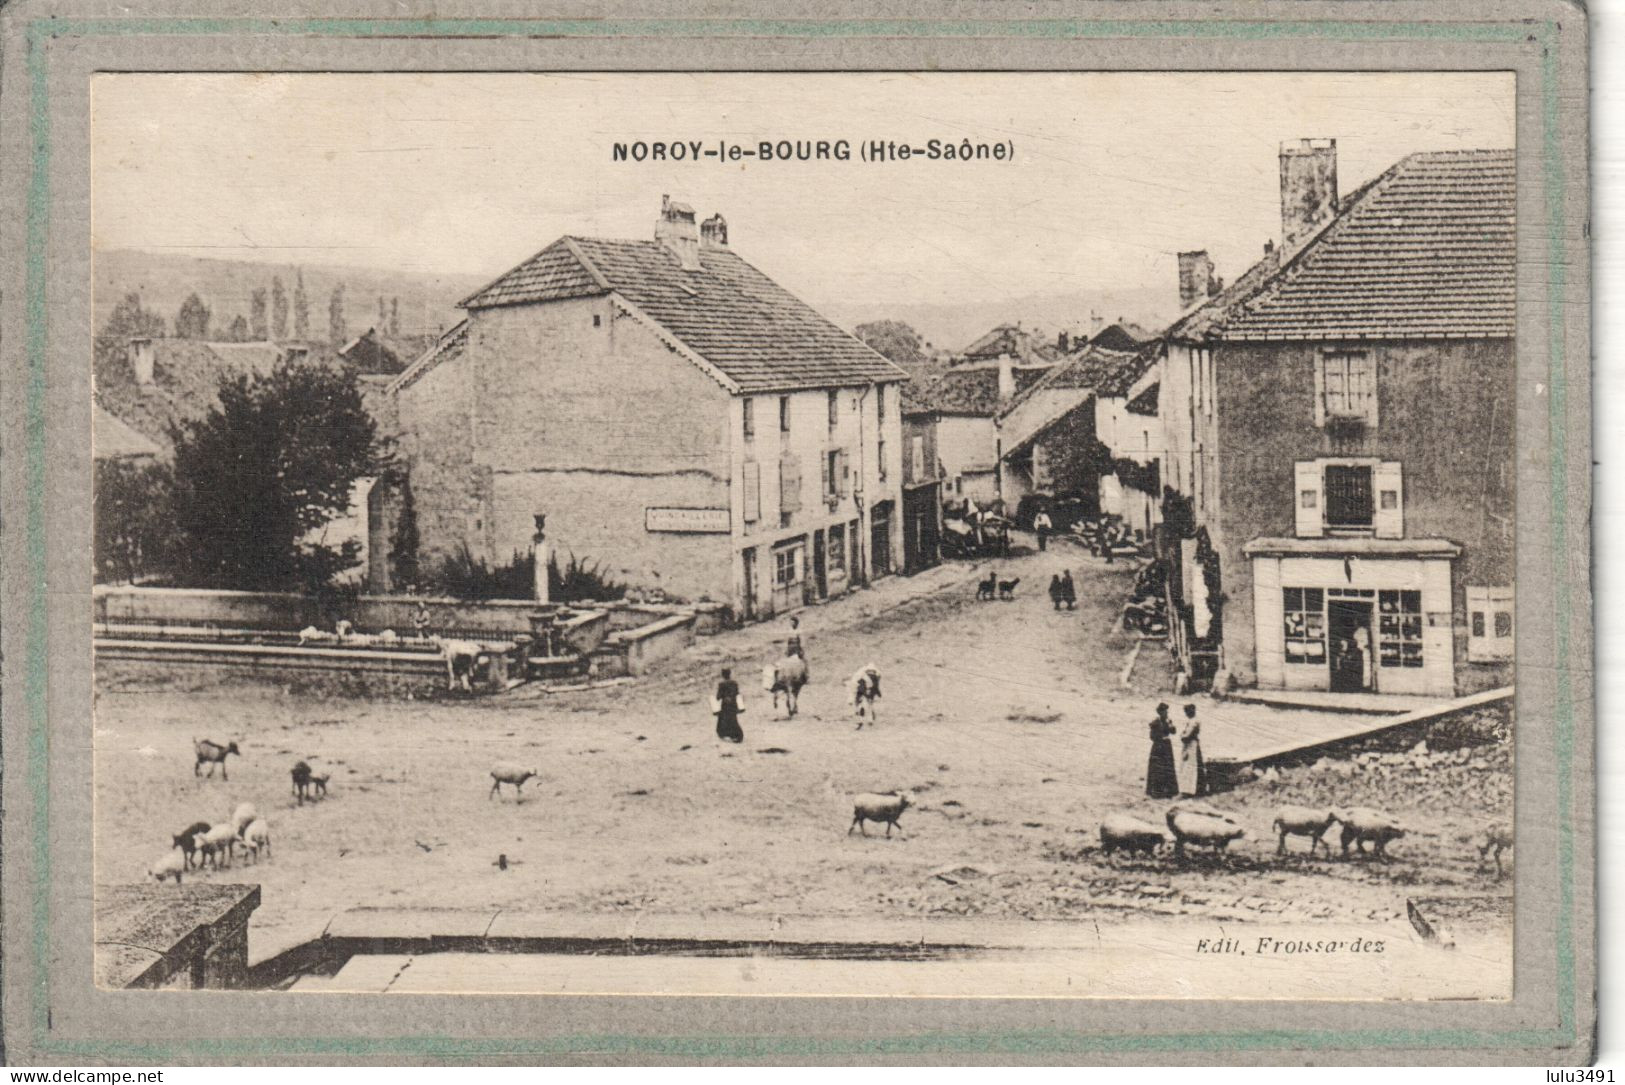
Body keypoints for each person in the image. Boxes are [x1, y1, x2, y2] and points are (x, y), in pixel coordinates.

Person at [1146, 702, 1179, 798]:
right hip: (1158, 747)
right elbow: (1152, 736)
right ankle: (1157, 791)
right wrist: (1161, 737)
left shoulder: (1168, 721)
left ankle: (1169, 791)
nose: (1166, 713)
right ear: (1160, 712)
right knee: (1158, 768)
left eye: (1167, 711)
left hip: (1166, 746)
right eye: (1164, 711)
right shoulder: (1155, 722)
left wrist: (1171, 726)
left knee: (1168, 767)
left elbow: (1174, 732)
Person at [1176, 702, 1207, 796]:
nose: (1186, 713)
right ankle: (1192, 788)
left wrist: (1183, 736)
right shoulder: (1191, 721)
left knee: (1191, 766)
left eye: (1187, 711)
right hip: (1189, 745)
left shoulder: (1194, 722)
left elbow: (1186, 736)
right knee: (1189, 766)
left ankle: (1192, 789)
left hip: (1192, 745)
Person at [713, 667, 744, 743]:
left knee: (723, 721)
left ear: (723, 675)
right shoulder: (734, 683)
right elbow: (737, 693)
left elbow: (718, 697)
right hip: (733, 705)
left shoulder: (721, 684)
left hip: (725, 706)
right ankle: (738, 736)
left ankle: (727, 735)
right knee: (733, 720)